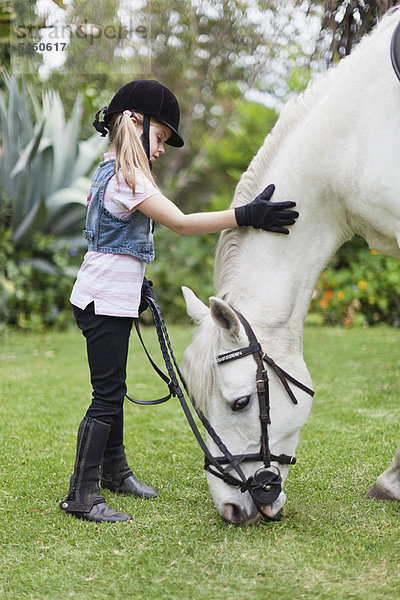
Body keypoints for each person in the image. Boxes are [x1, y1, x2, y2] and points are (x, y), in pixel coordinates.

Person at [59, 79, 299, 523]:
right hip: (104, 301)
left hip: (106, 296)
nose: (162, 148)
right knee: (107, 396)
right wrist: (246, 215)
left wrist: (136, 285)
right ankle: (82, 494)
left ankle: (114, 472)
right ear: (133, 121)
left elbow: (108, 244)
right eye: (160, 136)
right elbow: (184, 224)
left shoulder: (107, 170)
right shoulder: (128, 179)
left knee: (114, 391)